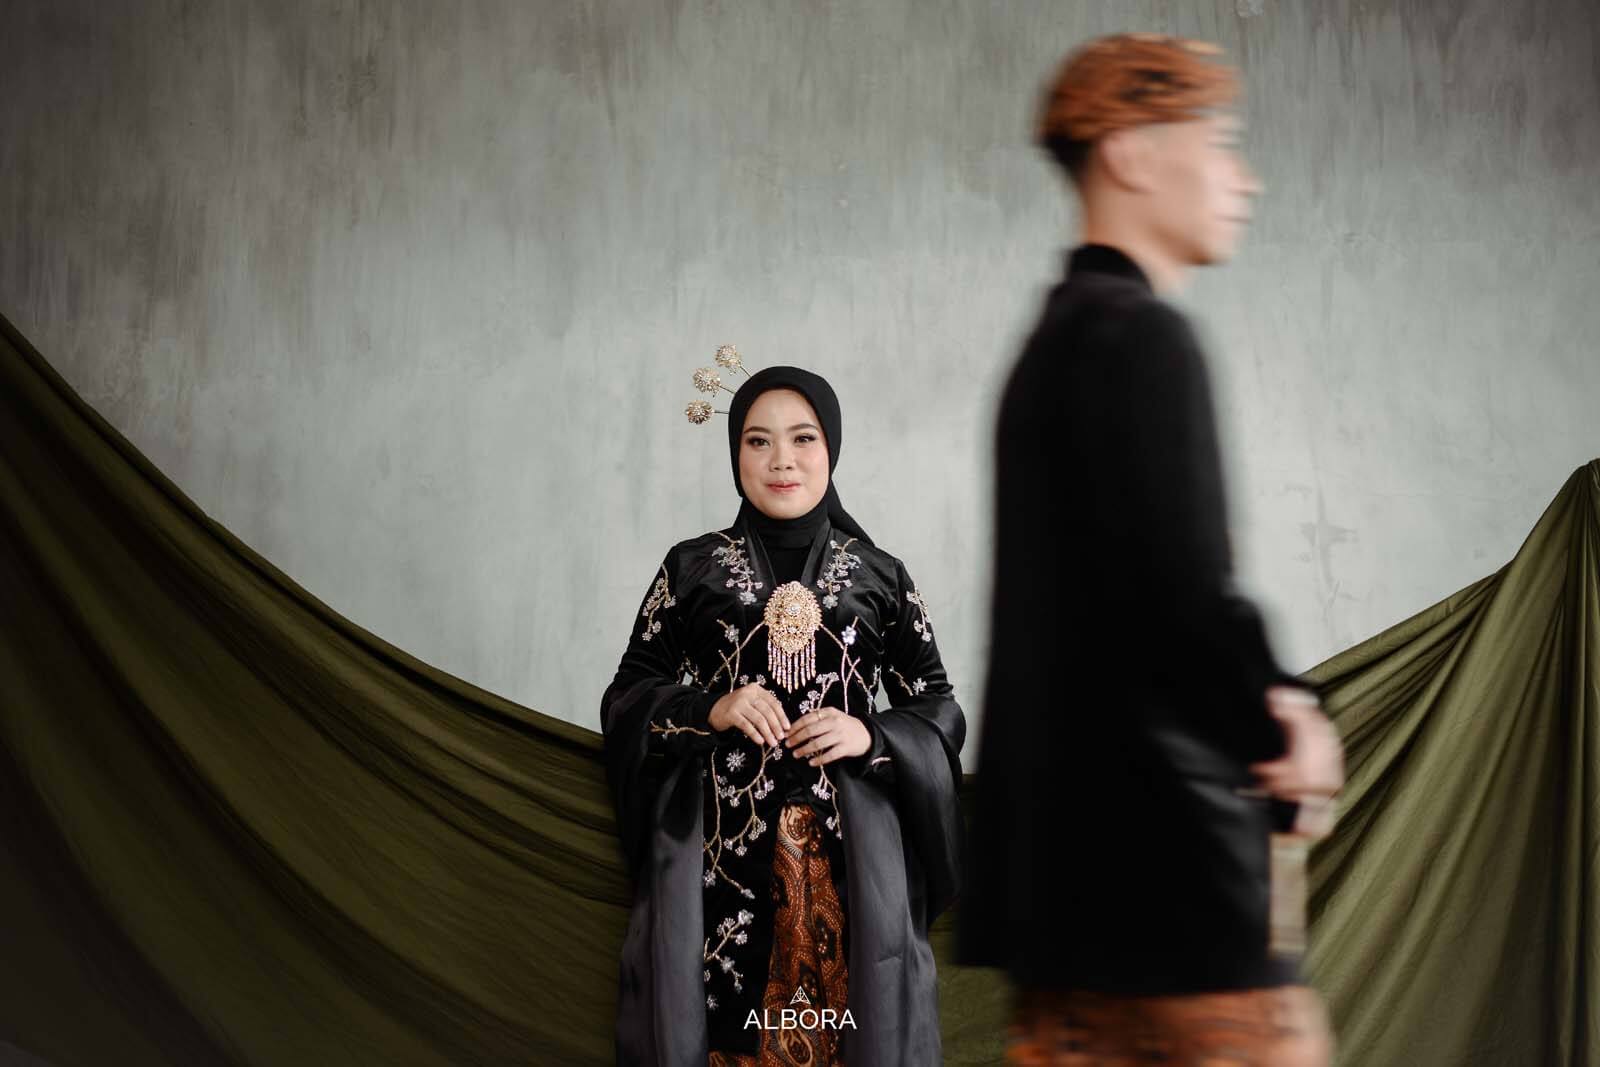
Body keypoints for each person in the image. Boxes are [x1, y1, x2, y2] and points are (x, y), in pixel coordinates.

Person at [956, 33, 1345, 1066]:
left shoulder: (1044, 352)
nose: (1244, 180)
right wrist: (1288, 713)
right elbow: (1181, 601)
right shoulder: (1144, 339)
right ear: (1129, 151)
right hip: (1176, 891)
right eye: (1218, 143)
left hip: (1062, 912)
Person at [601, 362, 966, 1066]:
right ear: (735, 452)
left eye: (802, 438)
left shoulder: (880, 574)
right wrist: (712, 707)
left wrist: (870, 733)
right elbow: (628, 694)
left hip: (852, 857)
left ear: (831, 448)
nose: (782, 460)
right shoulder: (691, 568)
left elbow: (939, 706)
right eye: (758, 441)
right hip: (719, 856)